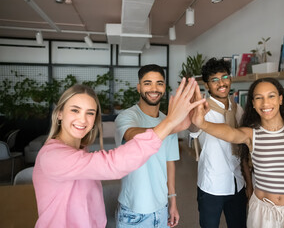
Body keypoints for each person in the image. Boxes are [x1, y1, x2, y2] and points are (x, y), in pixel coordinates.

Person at [32, 80, 205, 228]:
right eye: (75, 110)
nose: (83, 119)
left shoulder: (79, 150)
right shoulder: (53, 156)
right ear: (60, 113)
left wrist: (179, 124)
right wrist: (169, 122)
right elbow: (113, 163)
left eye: (90, 113)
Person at [192, 77, 284, 228]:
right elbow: (230, 133)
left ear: (280, 99)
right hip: (262, 214)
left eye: (271, 96)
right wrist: (202, 123)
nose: (265, 103)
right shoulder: (252, 135)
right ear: (253, 103)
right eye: (259, 98)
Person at [114, 64, 184, 228]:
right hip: (133, 211)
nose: (154, 88)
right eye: (147, 83)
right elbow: (131, 134)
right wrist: (172, 126)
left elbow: (169, 163)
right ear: (139, 88)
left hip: (161, 208)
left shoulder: (167, 121)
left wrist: (172, 201)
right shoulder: (127, 116)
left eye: (159, 83)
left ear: (164, 87)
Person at [189, 58, 252, 228]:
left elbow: (244, 148)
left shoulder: (237, 109)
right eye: (214, 80)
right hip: (212, 186)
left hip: (237, 184)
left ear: (230, 79)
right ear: (207, 86)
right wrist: (196, 118)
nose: (221, 83)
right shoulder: (203, 110)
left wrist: (248, 183)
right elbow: (193, 130)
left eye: (224, 77)